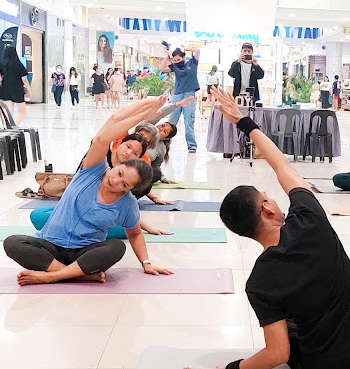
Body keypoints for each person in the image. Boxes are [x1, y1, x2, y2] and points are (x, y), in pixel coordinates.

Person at [183, 86, 350, 369]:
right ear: (266, 209)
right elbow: (282, 165)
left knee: (286, 323)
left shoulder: (259, 283)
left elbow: (277, 354)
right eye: (267, 197)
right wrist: (243, 121)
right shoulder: (309, 218)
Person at [3, 97, 173, 286]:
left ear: (130, 189)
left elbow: (134, 233)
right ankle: (75, 275)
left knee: (116, 247)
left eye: (124, 184)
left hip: (84, 252)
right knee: (12, 243)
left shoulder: (127, 204)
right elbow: (105, 133)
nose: (114, 181)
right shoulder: (94, 168)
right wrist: (144, 114)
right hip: (51, 246)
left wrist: (146, 263)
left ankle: (52, 275)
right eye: (119, 173)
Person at [161, 46, 200, 153]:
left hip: (189, 95)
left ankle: (192, 146)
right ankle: (164, 143)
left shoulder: (193, 63)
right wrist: (166, 56)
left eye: (179, 59)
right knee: (172, 122)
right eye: (175, 60)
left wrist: (186, 48)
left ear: (184, 57)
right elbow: (162, 68)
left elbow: (197, 50)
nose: (177, 61)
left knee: (189, 121)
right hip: (177, 96)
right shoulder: (174, 67)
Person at [0, 47, 32, 125]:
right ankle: (14, 126)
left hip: (5, 90)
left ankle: (7, 126)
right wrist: (30, 91)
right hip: (17, 90)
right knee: (22, 111)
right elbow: (24, 80)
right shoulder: (19, 65)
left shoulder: (2, 65)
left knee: (9, 111)